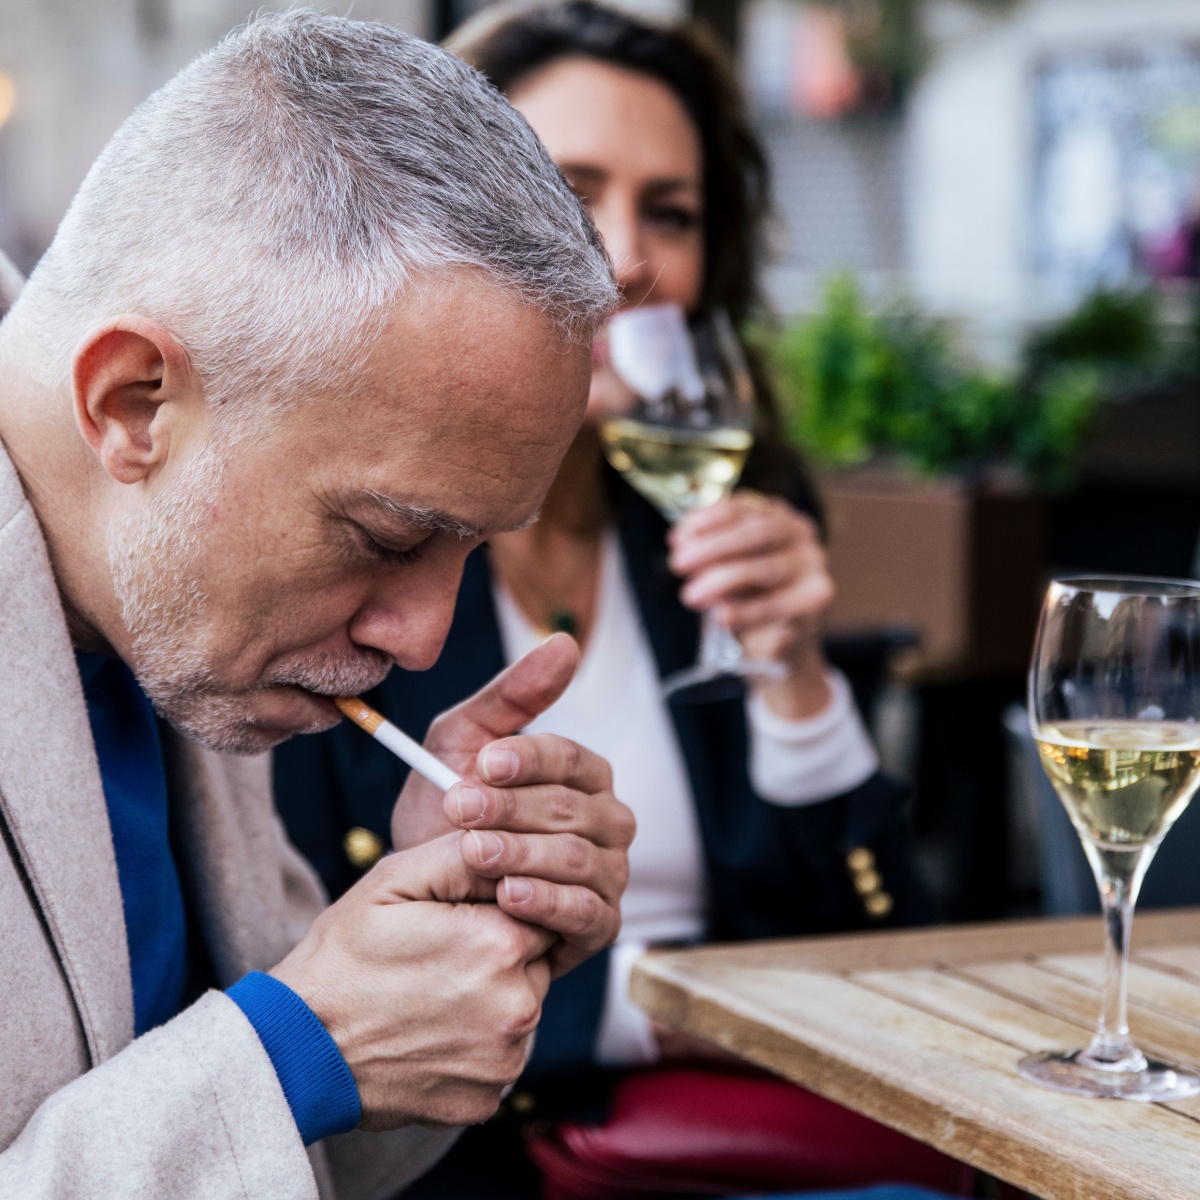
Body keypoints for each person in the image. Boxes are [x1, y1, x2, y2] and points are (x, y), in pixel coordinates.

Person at [273, 4, 936, 1198]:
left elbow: (863, 949)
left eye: (670, 213)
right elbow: (294, 945)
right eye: (569, 193)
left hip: (742, 1140)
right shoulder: (350, 528)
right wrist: (649, 1009)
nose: (623, 259)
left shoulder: (726, 513)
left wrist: (797, 682)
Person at [0, 11, 641, 1197]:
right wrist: (299, 1049)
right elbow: (244, 1081)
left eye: (471, 551)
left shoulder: (170, 598)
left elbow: (286, 1156)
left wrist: (432, 950)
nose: (426, 636)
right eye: (387, 537)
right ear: (134, 402)